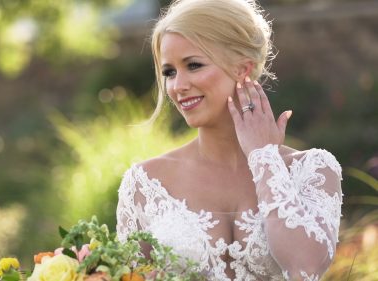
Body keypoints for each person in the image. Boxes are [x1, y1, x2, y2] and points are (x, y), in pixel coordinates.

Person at [115, 0, 343, 280]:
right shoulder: (145, 183)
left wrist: (264, 158)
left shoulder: (314, 170)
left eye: (193, 65)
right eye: (169, 72)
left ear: (242, 69)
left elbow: (305, 265)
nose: (178, 86)